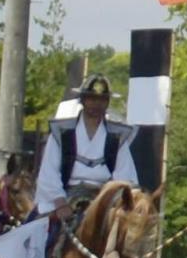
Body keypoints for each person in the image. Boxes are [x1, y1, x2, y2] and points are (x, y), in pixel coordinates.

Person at [36, 77, 134, 213]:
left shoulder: (116, 136)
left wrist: (116, 199)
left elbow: (125, 176)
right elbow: (49, 173)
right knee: (40, 227)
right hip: (66, 196)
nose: (97, 104)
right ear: (82, 99)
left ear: (108, 102)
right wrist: (60, 203)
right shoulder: (62, 132)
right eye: (92, 99)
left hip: (105, 200)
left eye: (102, 100)